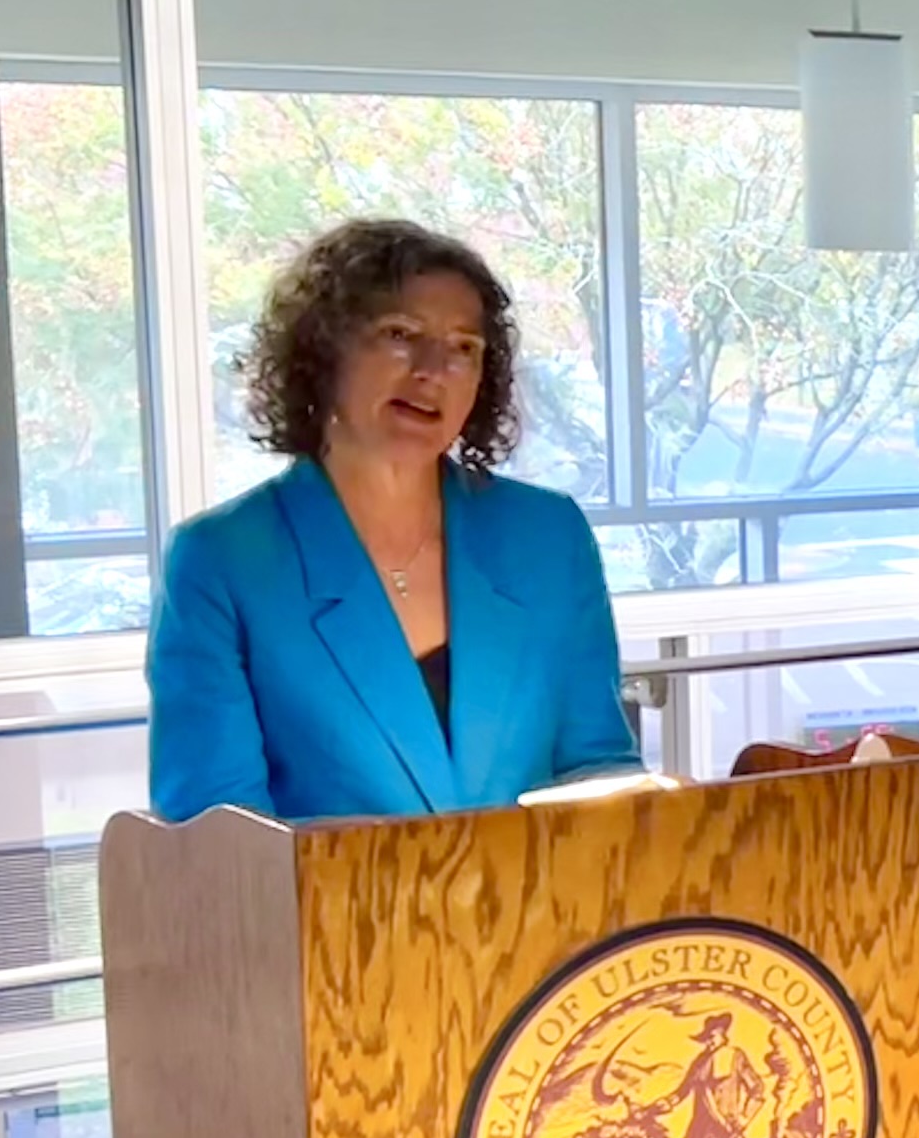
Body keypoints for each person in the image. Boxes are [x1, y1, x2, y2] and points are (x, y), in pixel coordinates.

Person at [145, 218, 641, 823]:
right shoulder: (224, 559)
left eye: (465, 347)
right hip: (324, 918)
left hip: (545, 916)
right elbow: (220, 837)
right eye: (401, 333)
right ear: (324, 353)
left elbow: (599, 772)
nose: (434, 368)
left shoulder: (548, 536)